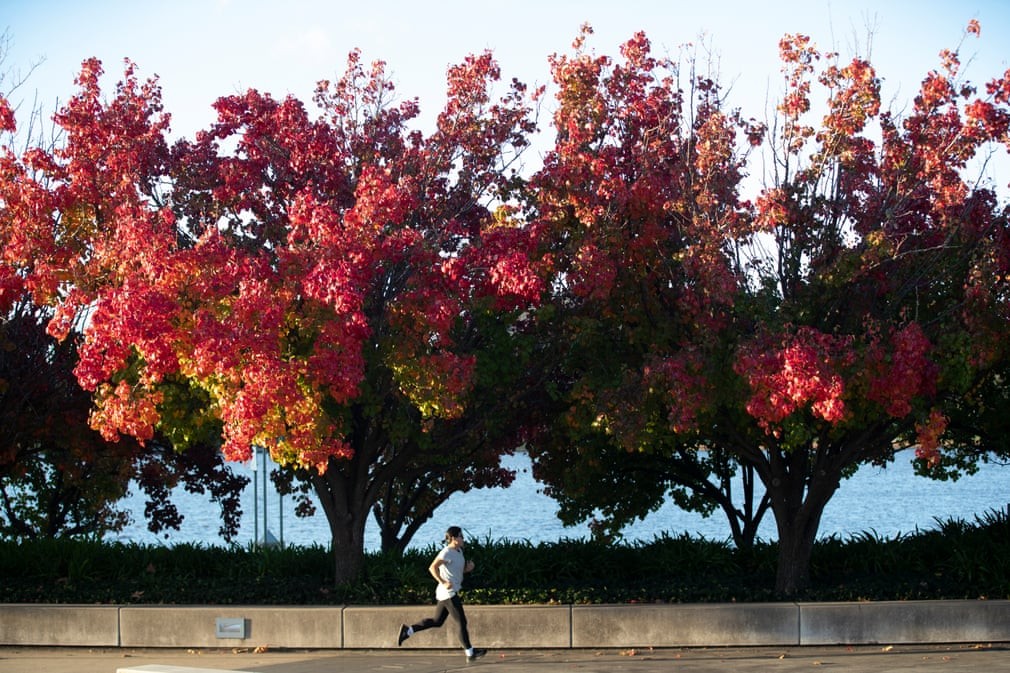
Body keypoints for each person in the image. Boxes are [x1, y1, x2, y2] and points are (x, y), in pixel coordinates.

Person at [397, 525, 487, 663]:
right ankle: (470, 653)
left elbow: (455, 572)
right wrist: (443, 581)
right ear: (454, 538)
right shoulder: (446, 552)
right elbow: (432, 567)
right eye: (461, 536)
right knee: (461, 622)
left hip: (448, 592)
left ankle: (408, 631)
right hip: (448, 593)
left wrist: (467, 569)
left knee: (437, 621)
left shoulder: (459, 552)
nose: (463, 539)